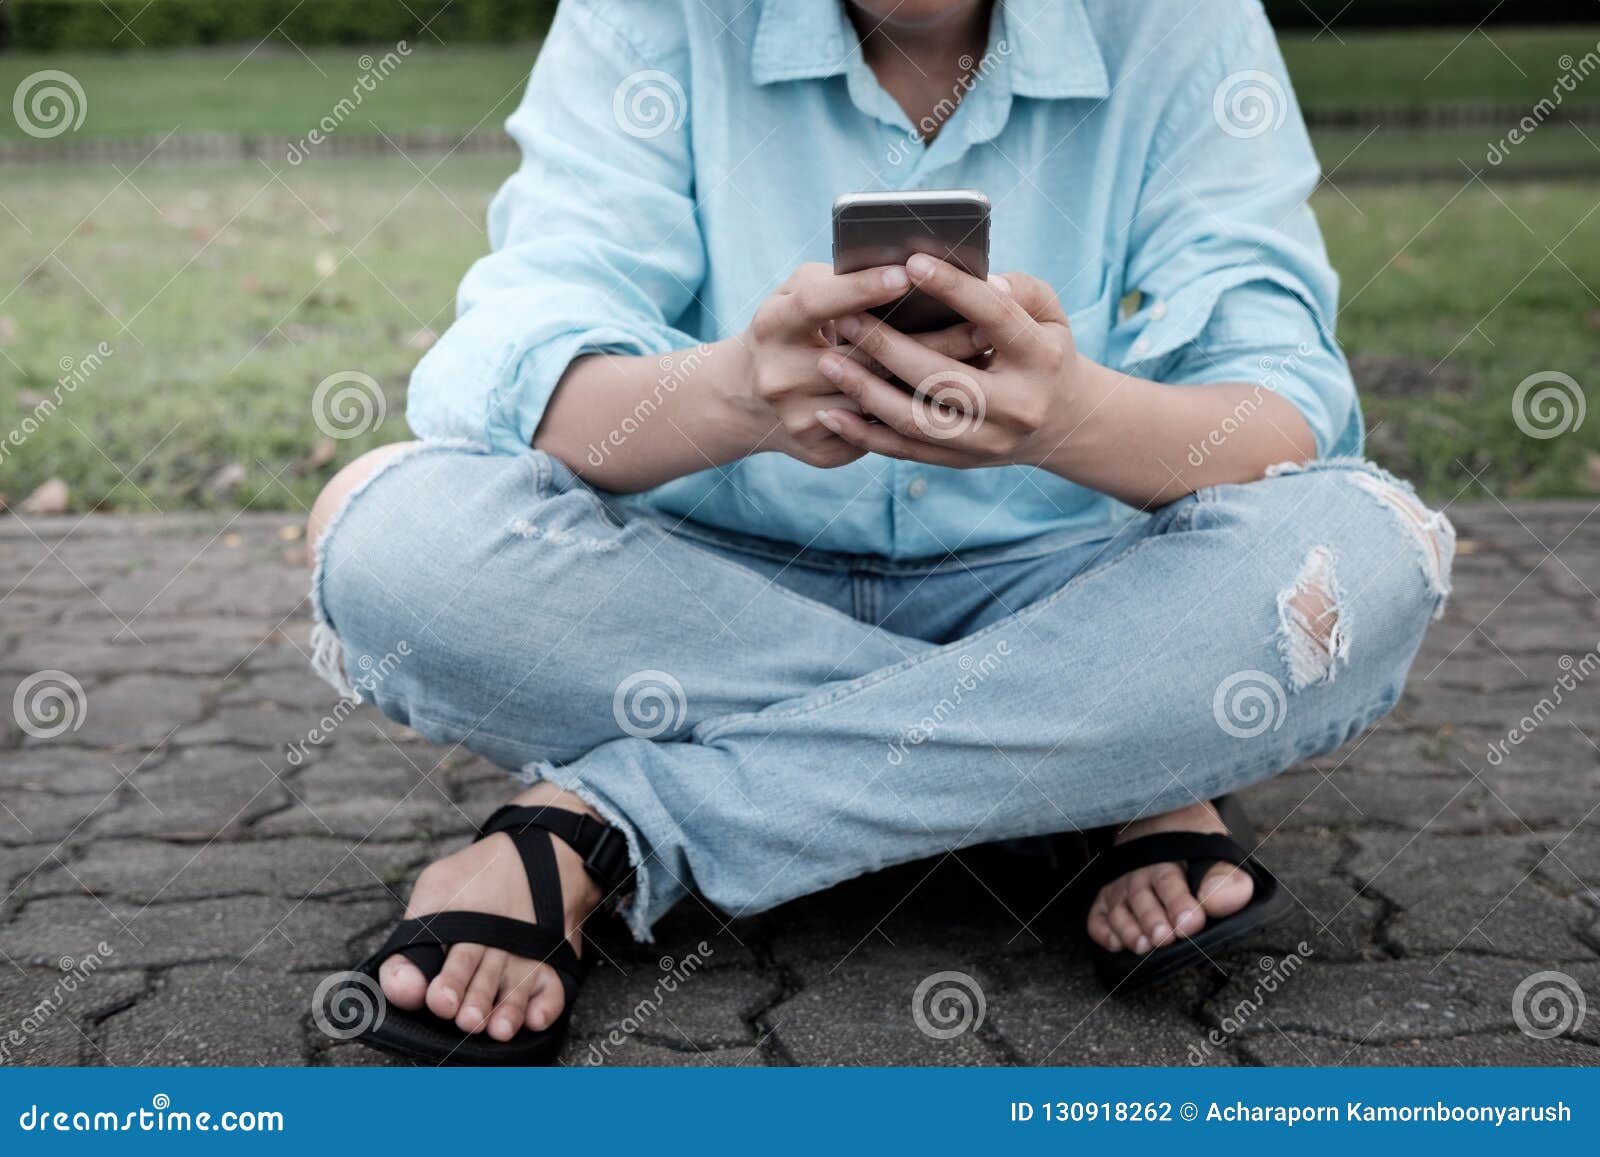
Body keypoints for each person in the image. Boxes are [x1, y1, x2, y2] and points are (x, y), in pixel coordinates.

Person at [306, 0, 1454, 1062]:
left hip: (1066, 583)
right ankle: (1096, 766)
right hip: (699, 593)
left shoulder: (1178, 20)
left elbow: (1284, 413)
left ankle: (608, 823)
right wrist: (739, 397)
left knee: (1361, 547)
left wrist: (1073, 420)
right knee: (386, 533)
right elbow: (511, 373)